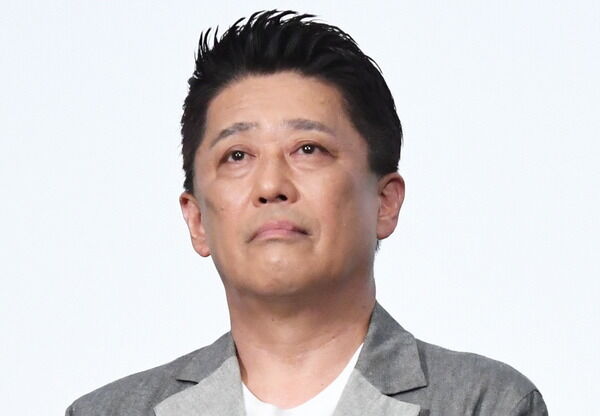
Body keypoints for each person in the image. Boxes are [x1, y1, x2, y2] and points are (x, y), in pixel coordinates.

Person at [66, 10, 548, 416]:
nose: (271, 186)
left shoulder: (487, 403)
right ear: (196, 221)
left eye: (308, 149)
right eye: (237, 155)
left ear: (385, 202)